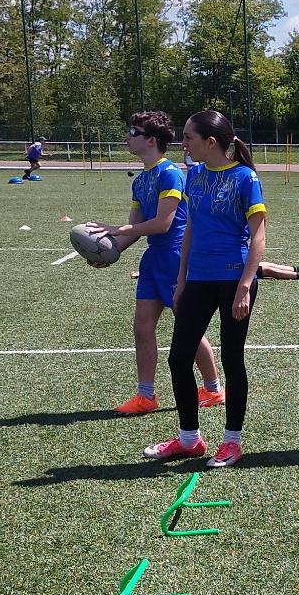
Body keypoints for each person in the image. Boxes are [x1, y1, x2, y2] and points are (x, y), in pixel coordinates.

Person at [141, 110, 266, 469]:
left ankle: (232, 442)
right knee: (179, 357)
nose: (183, 143)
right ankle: (189, 440)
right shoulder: (193, 175)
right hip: (197, 279)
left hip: (233, 280)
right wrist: (181, 280)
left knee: (232, 359)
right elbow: (191, 230)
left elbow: (258, 236)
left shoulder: (245, 177)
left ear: (210, 142)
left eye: (188, 137)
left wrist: (245, 286)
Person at [101, 109, 223, 417]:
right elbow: (135, 228)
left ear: (151, 140)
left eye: (133, 132)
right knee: (142, 327)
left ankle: (213, 388)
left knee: (187, 327)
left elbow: (163, 223)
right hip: (154, 258)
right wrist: (108, 251)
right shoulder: (141, 180)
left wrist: (119, 229)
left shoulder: (170, 173)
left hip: (176, 257)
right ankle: (146, 396)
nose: (127, 137)